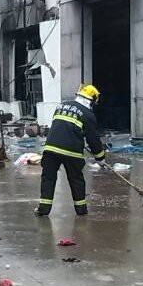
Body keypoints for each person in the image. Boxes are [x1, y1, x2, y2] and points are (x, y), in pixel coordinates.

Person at [35, 84, 106, 217]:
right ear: (90, 101)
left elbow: (61, 127)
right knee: (76, 180)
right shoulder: (88, 114)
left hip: (50, 149)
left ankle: (43, 209)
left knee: (48, 178)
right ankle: (81, 210)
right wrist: (100, 158)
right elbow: (93, 139)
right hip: (72, 152)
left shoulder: (61, 106)